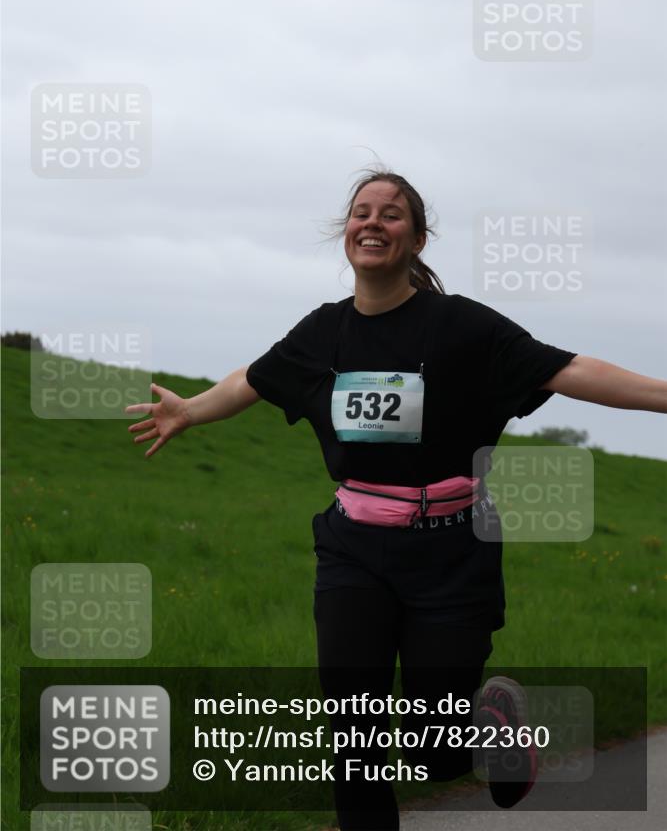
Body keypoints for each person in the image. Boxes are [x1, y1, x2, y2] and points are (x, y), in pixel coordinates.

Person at [126, 168, 667, 830]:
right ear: (345, 232)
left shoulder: (461, 326)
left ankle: (487, 721)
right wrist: (191, 411)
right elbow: (256, 378)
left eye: (391, 213)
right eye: (361, 212)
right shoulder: (321, 333)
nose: (372, 222)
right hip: (354, 549)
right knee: (353, 737)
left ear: (416, 239)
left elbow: (569, 368)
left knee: (433, 752)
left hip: (451, 548)